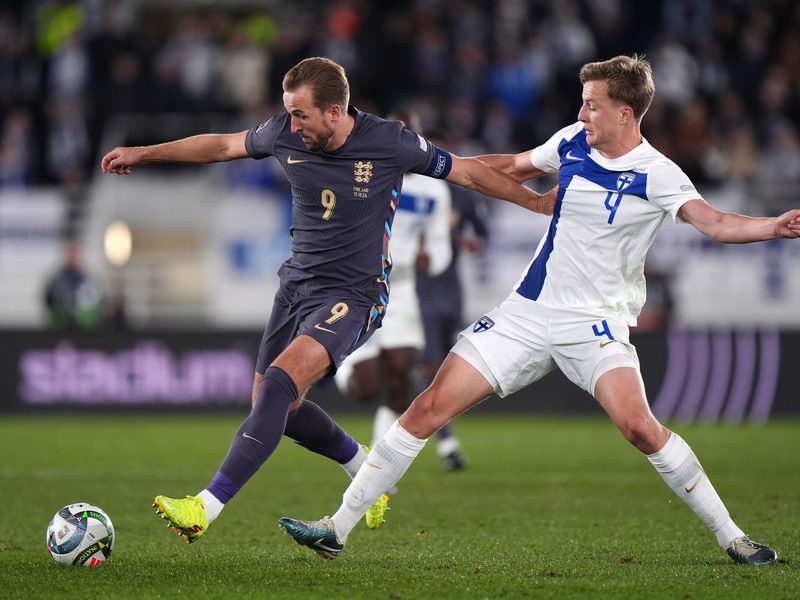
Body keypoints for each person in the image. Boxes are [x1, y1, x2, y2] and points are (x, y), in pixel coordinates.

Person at [279, 55, 799, 565]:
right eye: (581, 104)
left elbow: (715, 222)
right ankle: (337, 528)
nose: (580, 115)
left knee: (641, 428)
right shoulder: (571, 142)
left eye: (592, 106)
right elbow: (512, 167)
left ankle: (733, 537)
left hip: (594, 324)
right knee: (426, 408)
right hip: (525, 315)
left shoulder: (658, 174)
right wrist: (428, 169)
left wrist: (774, 226)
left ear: (625, 113)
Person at [101, 57, 555, 543]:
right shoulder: (283, 133)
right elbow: (222, 145)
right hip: (295, 287)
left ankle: (203, 507)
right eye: (288, 114)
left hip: (354, 294)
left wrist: (532, 201)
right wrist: (145, 153)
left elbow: (465, 172)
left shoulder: (390, 141)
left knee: (278, 386)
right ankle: (365, 470)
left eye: (302, 116)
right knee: (278, 409)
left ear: (335, 112)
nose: (292, 126)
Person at [334, 114, 467, 472]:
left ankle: (375, 470)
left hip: (404, 288)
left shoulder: (432, 189)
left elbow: (440, 250)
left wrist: (431, 259)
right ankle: (336, 367)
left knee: (401, 378)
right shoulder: (359, 176)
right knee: (366, 389)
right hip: (357, 286)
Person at [415, 130, 491, 470]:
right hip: (417, 292)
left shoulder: (461, 196)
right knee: (430, 366)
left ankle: (438, 436)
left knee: (451, 364)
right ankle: (445, 443)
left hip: (451, 290)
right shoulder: (409, 192)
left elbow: (482, 231)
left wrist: (472, 242)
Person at [44, 237, 104, 330]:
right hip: (61, 330)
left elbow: (97, 306)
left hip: (84, 331)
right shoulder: (56, 281)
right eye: (71, 253)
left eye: (76, 253)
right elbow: (48, 303)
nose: (73, 256)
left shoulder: (89, 281)